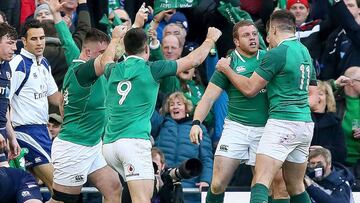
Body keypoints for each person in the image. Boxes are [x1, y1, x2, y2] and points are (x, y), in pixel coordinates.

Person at [102, 25, 221, 203]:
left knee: (141, 191)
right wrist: (210, 39)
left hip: (109, 145)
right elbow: (193, 60)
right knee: (142, 198)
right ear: (147, 48)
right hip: (133, 142)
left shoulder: (113, 69)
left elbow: (105, 60)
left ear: (126, 49)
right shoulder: (152, 68)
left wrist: (114, 39)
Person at [214, 10, 317, 203]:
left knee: (261, 181)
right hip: (304, 124)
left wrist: (227, 69)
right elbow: (314, 93)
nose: (266, 39)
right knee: (295, 186)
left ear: (275, 29)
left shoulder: (278, 53)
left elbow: (250, 89)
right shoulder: (304, 51)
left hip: (282, 122)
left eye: (267, 34)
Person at [46, 0, 124, 202]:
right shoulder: (84, 71)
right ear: (89, 53)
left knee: (114, 188)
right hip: (74, 147)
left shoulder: (77, 58)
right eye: (101, 53)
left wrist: (56, 15)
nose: (108, 58)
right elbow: (104, 61)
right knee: (62, 201)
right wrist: (115, 38)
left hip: (92, 146)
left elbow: (67, 40)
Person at [189, 20, 268, 203]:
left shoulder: (268, 59)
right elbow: (207, 98)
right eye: (246, 35)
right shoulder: (228, 64)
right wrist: (196, 123)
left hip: (265, 129)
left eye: (254, 34)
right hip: (236, 128)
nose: (252, 38)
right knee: (217, 183)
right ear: (236, 41)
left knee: (264, 183)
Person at [8, 19, 62, 193]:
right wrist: (10, 135)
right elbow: (3, 101)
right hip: (24, 133)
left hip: (42, 131)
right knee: (59, 188)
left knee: (37, 190)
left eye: (42, 38)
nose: (39, 43)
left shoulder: (44, 62)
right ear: (24, 41)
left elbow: (55, 97)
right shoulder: (18, 64)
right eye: (34, 39)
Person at [0, 21, 41, 203]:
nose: (14, 48)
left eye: (15, 44)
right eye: (9, 43)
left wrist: (12, 136)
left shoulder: (6, 68)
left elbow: (4, 106)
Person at [151, 91, 213, 203]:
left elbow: (207, 158)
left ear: (186, 107)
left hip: (190, 189)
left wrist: (206, 181)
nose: (175, 107)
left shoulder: (198, 128)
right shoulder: (162, 123)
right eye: (171, 104)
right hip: (164, 186)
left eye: (179, 104)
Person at [309, 80, 347, 164]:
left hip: (328, 167)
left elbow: (342, 153)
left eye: (320, 93)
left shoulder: (335, 122)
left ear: (327, 97)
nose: (316, 97)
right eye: (311, 94)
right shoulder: (300, 119)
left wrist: (324, 151)